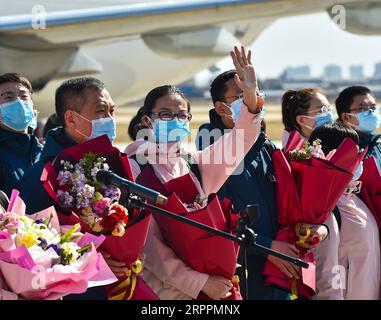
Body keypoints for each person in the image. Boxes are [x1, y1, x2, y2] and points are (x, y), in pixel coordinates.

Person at [125, 46, 263, 300]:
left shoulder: (195, 163)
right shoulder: (133, 167)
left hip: (213, 285)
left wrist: (250, 93)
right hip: (162, 291)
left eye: (181, 115)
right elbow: (149, 246)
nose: (175, 120)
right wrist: (199, 282)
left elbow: (243, 137)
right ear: (147, 121)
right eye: (165, 114)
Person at [195, 69, 290, 300]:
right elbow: (221, 220)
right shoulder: (214, 152)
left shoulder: (266, 147)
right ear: (220, 108)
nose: (251, 99)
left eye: (254, 92)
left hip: (279, 269)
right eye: (241, 95)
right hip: (242, 269)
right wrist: (268, 247)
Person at [281, 88, 342, 299]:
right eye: (320, 109)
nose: (327, 113)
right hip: (310, 238)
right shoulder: (295, 155)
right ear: (301, 119)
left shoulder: (322, 148)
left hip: (325, 232)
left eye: (328, 107)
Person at [309, 122, 381, 300]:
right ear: (333, 154)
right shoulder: (327, 206)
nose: (359, 157)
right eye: (354, 151)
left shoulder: (355, 198)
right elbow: (327, 270)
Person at [0, 73, 42, 197]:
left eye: (24, 96)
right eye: (9, 97)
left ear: (33, 106)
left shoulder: (42, 151)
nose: (19, 102)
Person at [335, 86, 381, 170]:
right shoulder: (336, 148)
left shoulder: (377, 143)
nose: (371, 112)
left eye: (373, 107)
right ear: (346, 117)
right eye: (362, 108)